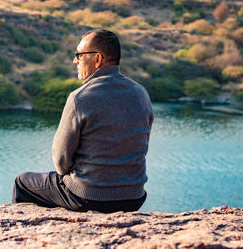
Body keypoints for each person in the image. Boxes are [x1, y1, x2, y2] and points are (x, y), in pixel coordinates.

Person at [12, 29, 154, 213]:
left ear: (97, 59)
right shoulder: (141, 93)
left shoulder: (80, 98)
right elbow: (140, 145)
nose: (75, 61)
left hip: (87, 197)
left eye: (79, 55)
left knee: (22, 182)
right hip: (133, 198)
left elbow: (61, 160)